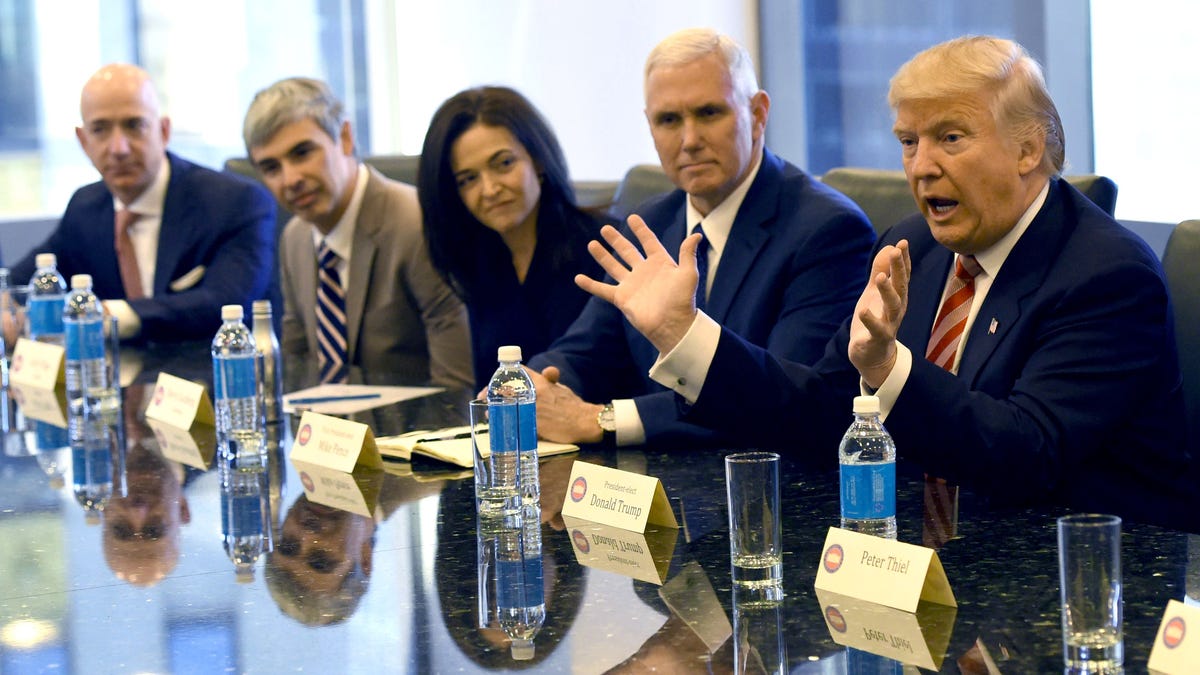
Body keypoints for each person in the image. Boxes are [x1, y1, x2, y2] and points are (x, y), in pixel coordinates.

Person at [576, 36, 1189, 512]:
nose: (921, 167)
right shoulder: (912, 246)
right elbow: (820, 412)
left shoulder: (1107, 274)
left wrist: (888, 370)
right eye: (908, 141)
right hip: (932, 564)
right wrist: (685, 334)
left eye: (950, 137)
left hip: (1087, 582)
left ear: (1029, 149)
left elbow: (1027, 453)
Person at [527, 28, 876, 448]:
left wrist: (606, 419)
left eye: (709, 113)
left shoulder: (828, 230)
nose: (689, 140)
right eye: (669, 120)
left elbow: (785, 396)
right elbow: (586, 351)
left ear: (759, 113)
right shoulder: (648, 223)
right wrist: (530, 388)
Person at [10, 64, 278, 341]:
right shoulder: (85, 207)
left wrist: (110, 316)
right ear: (83, 141)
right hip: (119, 379)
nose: (118, 149)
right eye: (100, 129)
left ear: (163, 131)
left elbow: (223, 301)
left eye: (134, 125)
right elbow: (24, 278)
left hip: (212, 376)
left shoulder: (234, 202)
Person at [244, 77, 472, 386]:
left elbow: (456, 384)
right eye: (271, 168)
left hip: (416, 430)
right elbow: (298, 370)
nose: (290, 179)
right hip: (329, 430)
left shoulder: (416, 223)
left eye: (302, 153)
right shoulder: (295, 237)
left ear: (345, 137)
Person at [417, 86, 607, 390]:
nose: (490, 189)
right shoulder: (480, 259)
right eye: (468, 179)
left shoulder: (600, 246)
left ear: (539, 161)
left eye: (503, 163)